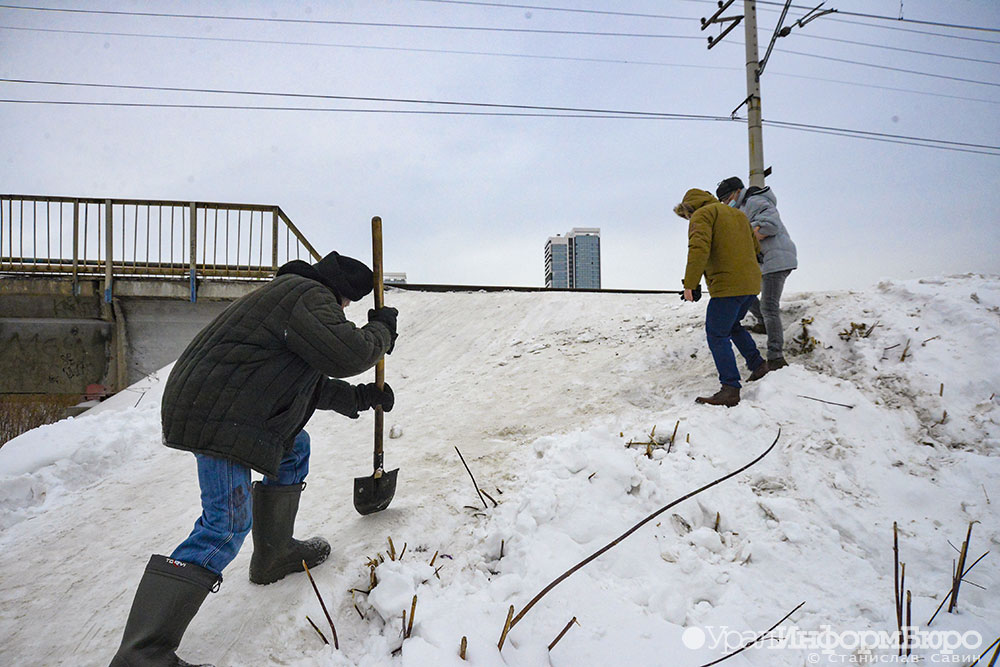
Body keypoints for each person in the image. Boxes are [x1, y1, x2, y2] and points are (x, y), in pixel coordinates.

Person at [110, 251, 398, 666]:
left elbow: (307, 383)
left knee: (294, 448)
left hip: (226, 408)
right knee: (225, 525)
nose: (345, 311)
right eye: (347, 305)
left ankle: (274, 553)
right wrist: (381, 330)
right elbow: (350, 353)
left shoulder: (289, 300)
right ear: (339, 294)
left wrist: (359, 397)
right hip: (219, 414)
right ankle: (143, 653)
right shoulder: (306, 296)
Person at [674, 188, 767, 407]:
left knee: (716, 334)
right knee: (733, 325)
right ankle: (758, 365)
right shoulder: (736, 214)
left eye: (686, 215)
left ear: (689, 208)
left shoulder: (702, 215)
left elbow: (698, 249)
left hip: (728, 286)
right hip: (750, 284)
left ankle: (730, 388)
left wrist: (690, 284)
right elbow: (756, 247)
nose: (687, 219)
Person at [716, 176, 797, 370]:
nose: (727, 203)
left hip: (776, 259)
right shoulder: (741, 207)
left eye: (728, 198)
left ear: (737, 192)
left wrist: (743, 234)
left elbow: (770, 225)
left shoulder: (755, 201)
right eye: (723, 201)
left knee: (769, 306)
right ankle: (762, 323)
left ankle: (776, 357)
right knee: (746, 295)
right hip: (763, 262)